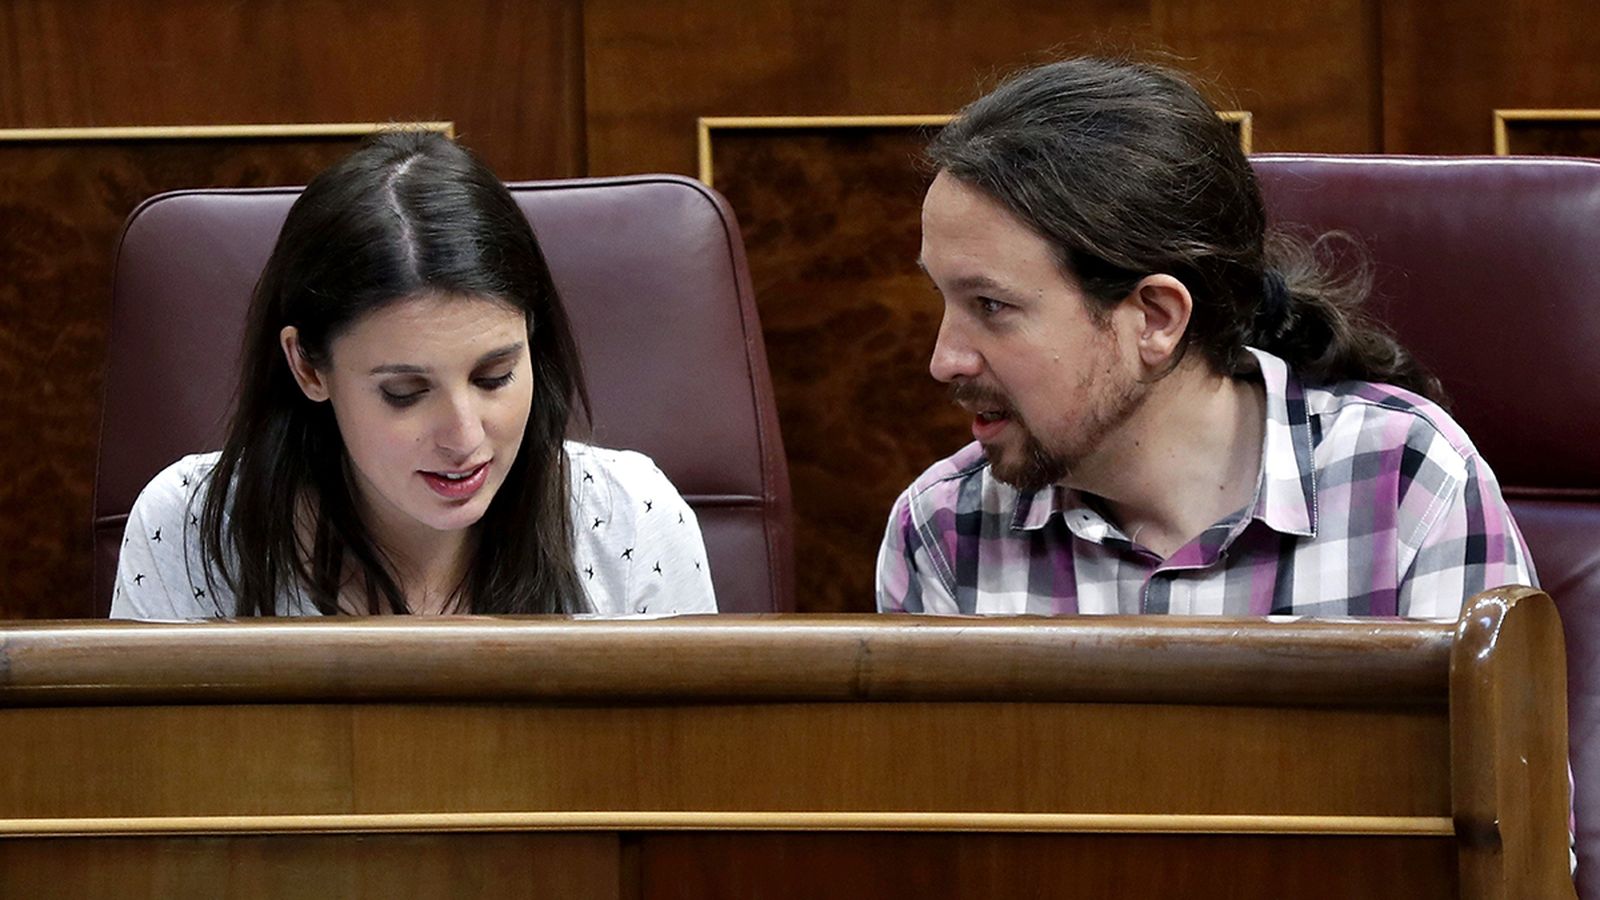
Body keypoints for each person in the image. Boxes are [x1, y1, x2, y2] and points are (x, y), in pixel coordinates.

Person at [876, 57, 1535, 617]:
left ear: (1156, 318)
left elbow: (1495, 737)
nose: (944, 360)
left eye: (991, 305)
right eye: (944, 299)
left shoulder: (1408, 481)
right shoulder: (942, 532)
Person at [112, 131, 715, 618]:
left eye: (495, 377)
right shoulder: (187, 529)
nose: (464, 437)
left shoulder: (632, 519)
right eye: (404, 393)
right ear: (307, 366)